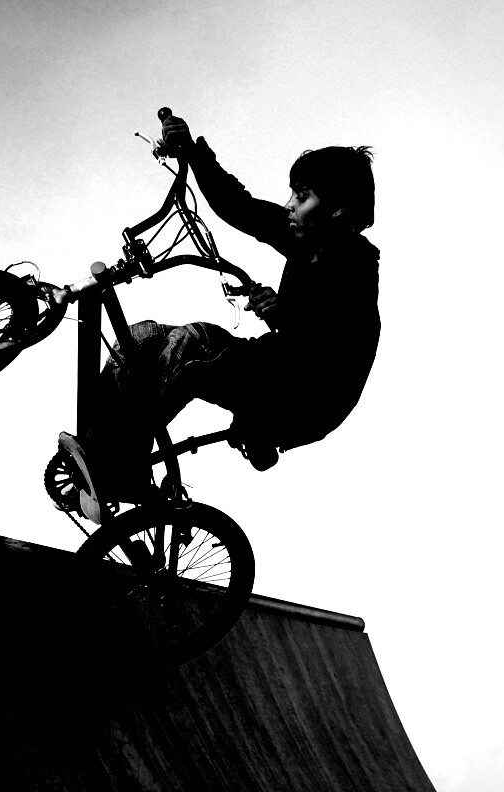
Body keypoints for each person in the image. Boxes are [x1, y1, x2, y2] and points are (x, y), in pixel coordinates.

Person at [68, 111, 380, 510]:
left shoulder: (354, 270)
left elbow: (332, 350)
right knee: (143, 337)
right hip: (275, 364)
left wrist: (283, 315)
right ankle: (97, 449)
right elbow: (238, 206)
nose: (288, 205)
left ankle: (119, 470)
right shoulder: (303, 238)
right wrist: (192, 152)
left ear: (338, 211)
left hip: (306, 398)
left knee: (191, 345)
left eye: (302, 197)